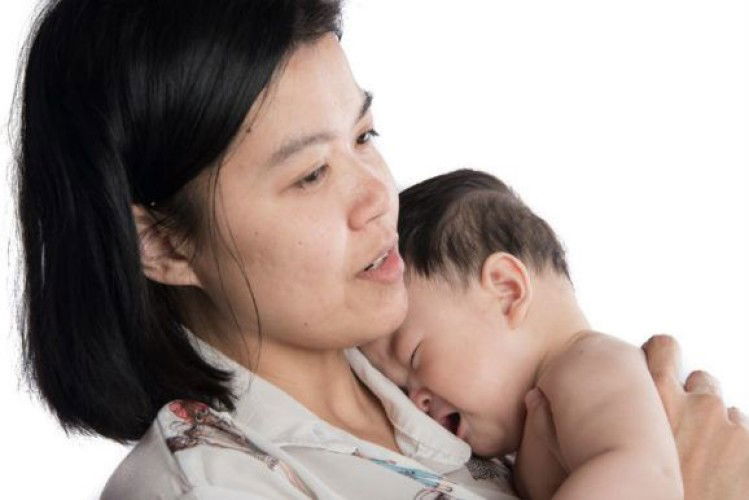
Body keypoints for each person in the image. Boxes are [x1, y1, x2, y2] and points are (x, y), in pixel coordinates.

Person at [11, 0, 749, 498]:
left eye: (365, 136)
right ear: (163, 244)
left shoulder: (454, 374)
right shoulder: (212, 484)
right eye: (310, 174)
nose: (378, 196)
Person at [361, 169, 683, 499]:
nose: (414, 401)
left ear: (507, 291)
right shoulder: (530, 419)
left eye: (414, 356)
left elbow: (646, 476)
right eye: (400, 387)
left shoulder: (590, 365)